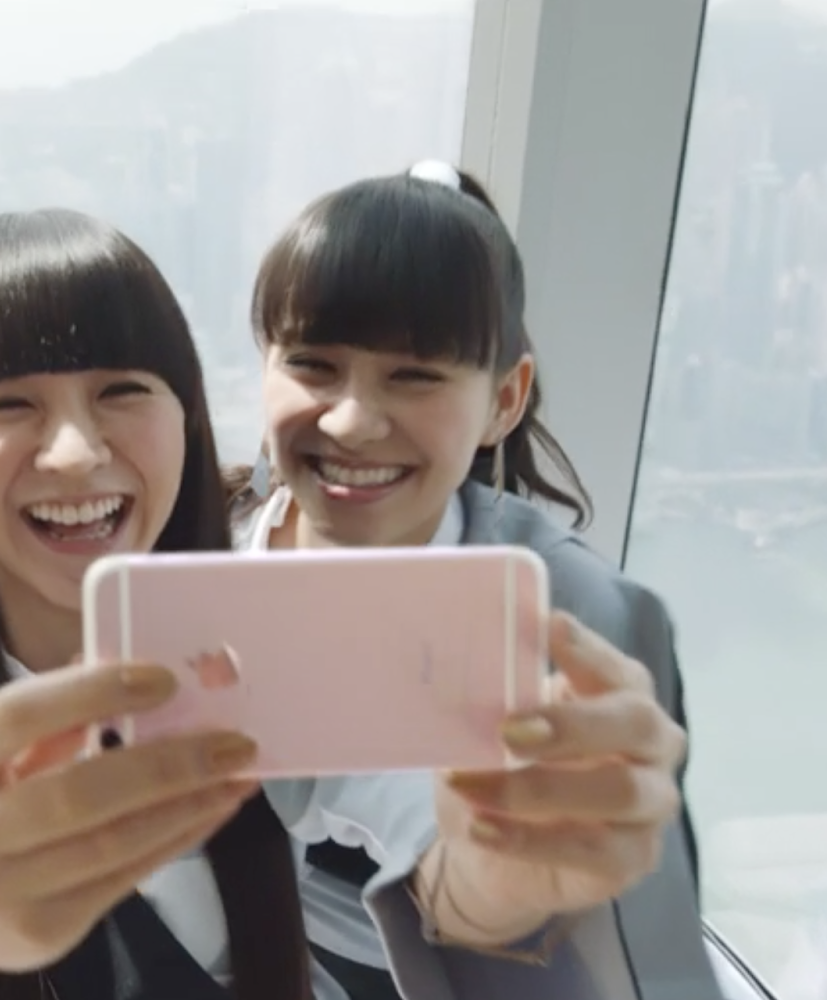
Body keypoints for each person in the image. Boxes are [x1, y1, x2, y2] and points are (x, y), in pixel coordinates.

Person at [0, 208, 696, 1000]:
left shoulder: (271, 648)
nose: (75, 452)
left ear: (187, 421)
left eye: (122, 391)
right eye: (9, 406)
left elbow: (430, 855)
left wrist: (507, 881)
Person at [226, 162, 720, 999]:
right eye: (312, 365)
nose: (352, 420)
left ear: (504, 400)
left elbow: (651, 955)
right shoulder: (199, 541)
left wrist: (505, 884)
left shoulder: (581, 622)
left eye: (414, 375)